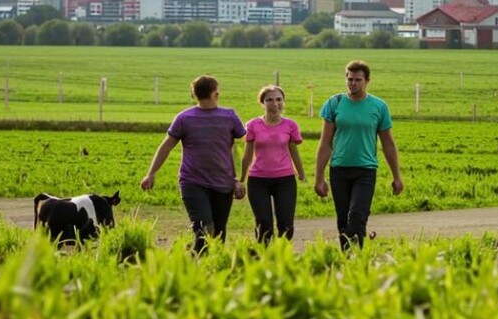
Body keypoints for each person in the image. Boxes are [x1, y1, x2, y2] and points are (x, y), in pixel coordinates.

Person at [141, 75, 246, 253]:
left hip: (223, 183)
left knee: (218, 233)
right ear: (215, 94)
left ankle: (211, 266)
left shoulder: (227, 117)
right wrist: (151, 173)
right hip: (193, 183)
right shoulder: (186, 118)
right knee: (204, 230)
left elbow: (165, 147)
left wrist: (238, 179)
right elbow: (240, 150)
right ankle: (194, 266)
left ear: (194, 94)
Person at [314, 60, 403, 250]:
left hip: (365, 170)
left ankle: (357, 254)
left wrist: (397, 176)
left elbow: (388, 143)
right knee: (343, 218)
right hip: (339, 170)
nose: (352, 83)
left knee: (357, 215)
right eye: (349, 79)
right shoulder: (334, 103)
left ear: (367, 81)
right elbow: (325, 143)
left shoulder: (379, 106)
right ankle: (349, 260)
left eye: (358, 80)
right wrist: (319, 177)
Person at [240, 85, 306, 244]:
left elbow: (293, 150)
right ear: (262, 103)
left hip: (285, 180)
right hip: (258, 181)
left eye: (278, 99)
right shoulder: (252, 125)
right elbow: (247, 154)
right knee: (264, 225)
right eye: (269, 100)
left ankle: (281, 256)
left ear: (283, 102)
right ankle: (263, 259)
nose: (274, 104)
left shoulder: (290, 125)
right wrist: (241, 179)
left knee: (286, 225)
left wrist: (301, 173)